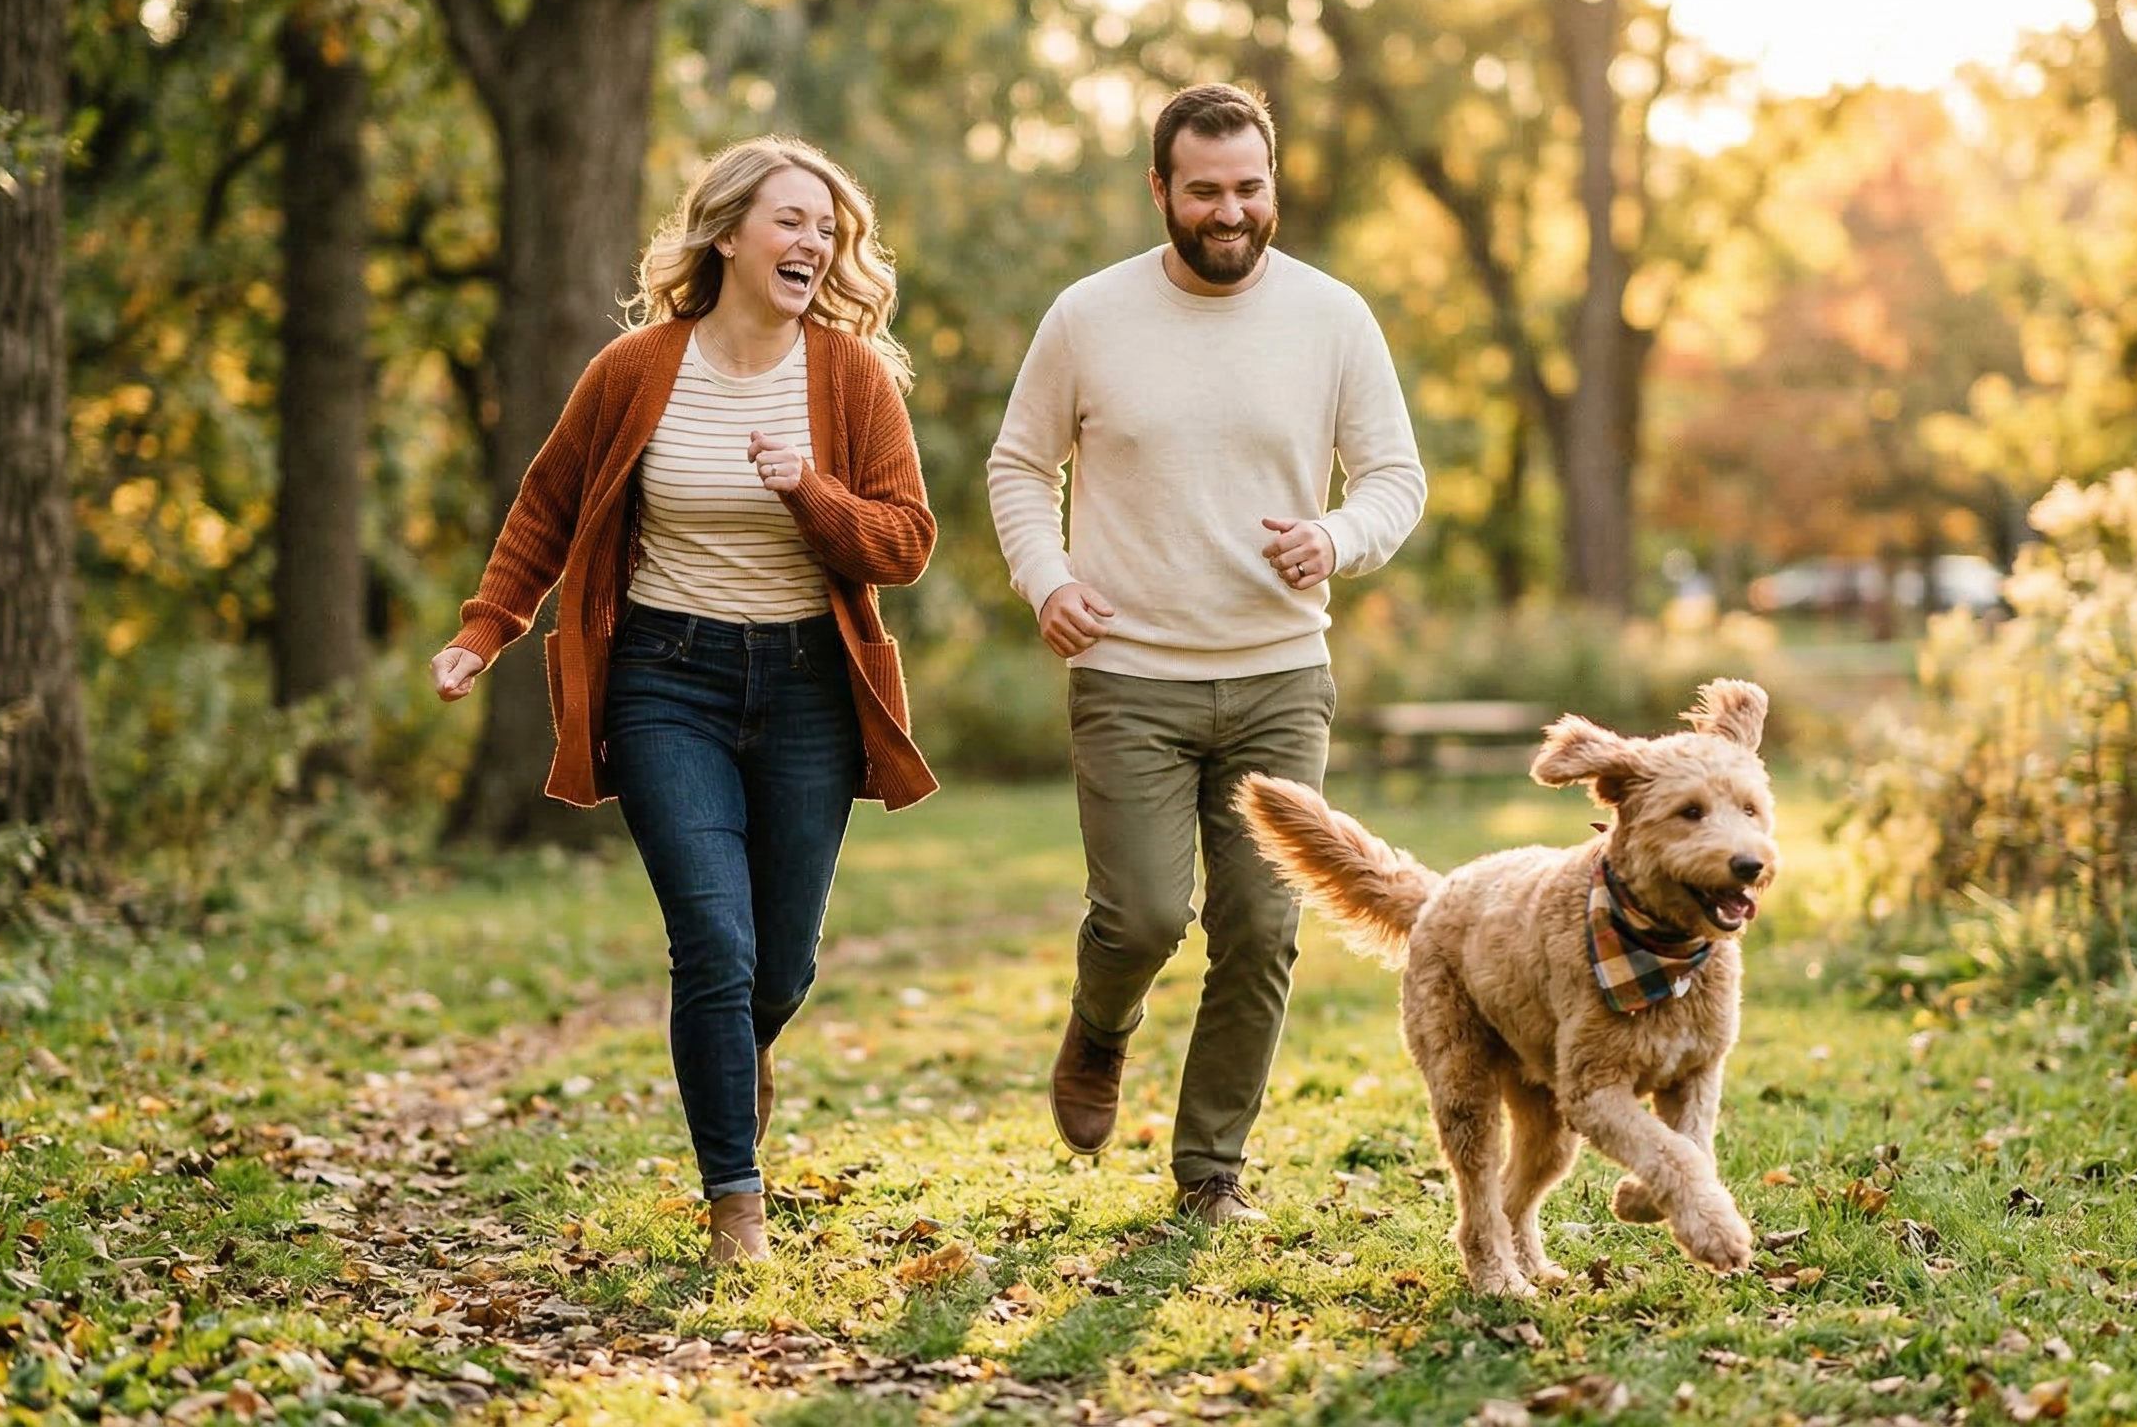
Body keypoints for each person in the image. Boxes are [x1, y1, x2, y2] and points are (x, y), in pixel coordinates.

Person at [431, 137, 936, 1265]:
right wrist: (486, 627)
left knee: (782, 964)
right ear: (725, 234)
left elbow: (905, 541)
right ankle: (735, 1200)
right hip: (667, 682)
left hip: (810, 687)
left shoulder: (849, 377)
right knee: (714, 942)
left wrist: (809, 490)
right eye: (791, 221)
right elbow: (547, 506)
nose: (814, 243)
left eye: (827, 229)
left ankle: (736, 1050)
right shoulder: (636, 368)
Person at [985, 84, 1427, 1225]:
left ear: (1270, 183)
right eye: (1204, 191)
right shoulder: (1088, 315)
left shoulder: (1333, 317)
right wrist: (1050, 579)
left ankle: (1209, 1171)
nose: (1229, 212)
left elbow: (1395, 481)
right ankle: (1100, 1027)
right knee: (1139, 916)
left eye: (1248, 188)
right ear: (1159, 191)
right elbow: (1017, 468)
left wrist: (1334, 536)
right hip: (1129, 674)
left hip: (1282, 673)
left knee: (1263, 927)